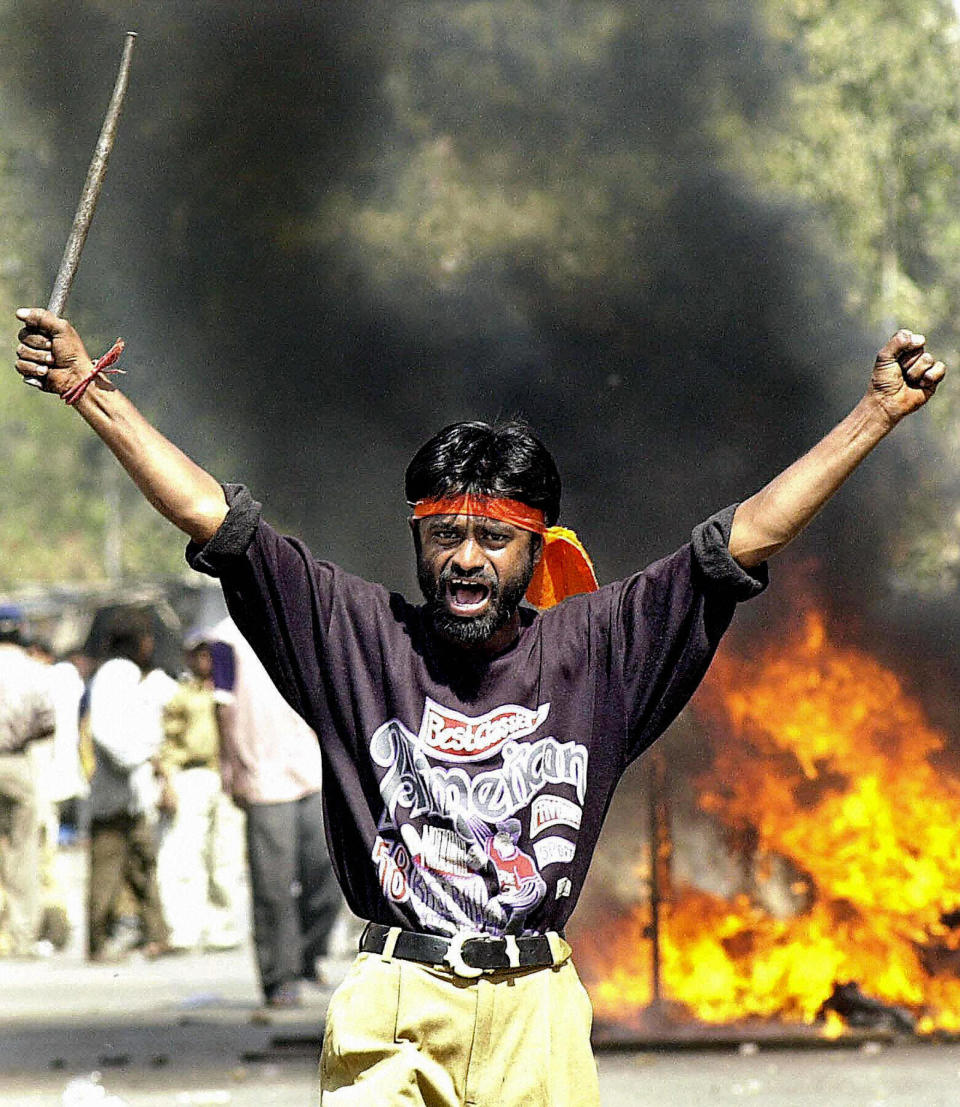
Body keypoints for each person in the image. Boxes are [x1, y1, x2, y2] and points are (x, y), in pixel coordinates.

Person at [13, 307, 946, 1104]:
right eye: (446, 533)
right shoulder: (355, 634)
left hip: (535, 1008)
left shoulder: (597, 651)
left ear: (536, 550)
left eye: (496, 538)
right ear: (417, 540)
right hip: (395, 999)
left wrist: (874, 414)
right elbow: (216, 517)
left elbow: (742, 538)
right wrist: (89, 393)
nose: (467, 559)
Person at [206, 615, 341, 1008]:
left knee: (327, 872)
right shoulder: (225, 641)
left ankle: (306, 955)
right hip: (262, 775)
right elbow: (222, 708)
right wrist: (230, 769)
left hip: (311, 769)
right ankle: (278, 977)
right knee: (273, 887)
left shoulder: (299, 623)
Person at [84, 612, 175, 961]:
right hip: (115, 795)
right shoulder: (115, 675)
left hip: (133, 798)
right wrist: (142, 756)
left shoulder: (132, 677)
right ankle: (97, 943)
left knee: (143, 864)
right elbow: (108, 734)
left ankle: (157, 934)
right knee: (107, 871)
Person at [156, 634, 244, 953]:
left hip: (224, 776)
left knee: (224, 855)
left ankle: (222, 928)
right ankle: (184, 929)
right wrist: (167, 781)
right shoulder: (182, 695)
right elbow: (168, 742)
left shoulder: (231, 693)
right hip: (192, 774)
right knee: (185, 854)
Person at [0, 604, 55, 958]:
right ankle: (20, 936)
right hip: (16, 763)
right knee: (23, 851)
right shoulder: (34, 671)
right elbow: (48, 722)